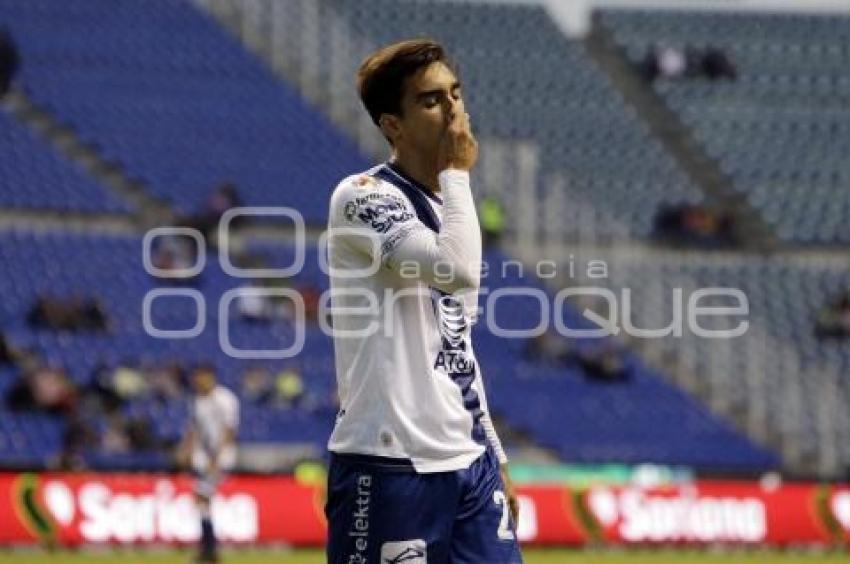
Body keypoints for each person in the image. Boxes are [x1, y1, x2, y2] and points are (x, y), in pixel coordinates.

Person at [325, 39, 522, 563]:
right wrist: (457, 173)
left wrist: (494, 452)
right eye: (432, 100)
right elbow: (454, 269)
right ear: (393, 125)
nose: (454, 110)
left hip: (468, 464)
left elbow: (457, 346)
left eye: (456, 93)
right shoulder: (363, 196)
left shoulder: (451, 207)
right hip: (389, 463)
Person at [178, 365, 239, 564]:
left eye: (200, 377)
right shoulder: (198, 401)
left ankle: (209, 550)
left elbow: (229, 430)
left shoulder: (225, 399)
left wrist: (217, 458)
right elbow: (194, 428)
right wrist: (186, 448)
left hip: (221, 457)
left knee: (201, 496)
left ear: (210, 377)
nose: (197, 382)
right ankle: (209, 550)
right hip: (204, 456)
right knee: (202, 501)